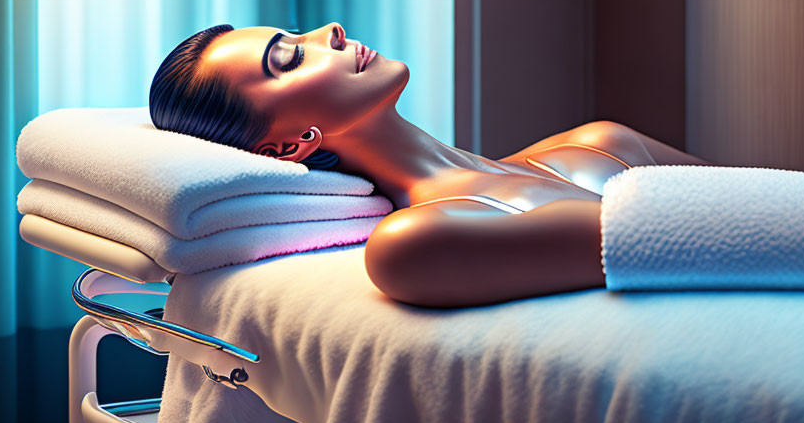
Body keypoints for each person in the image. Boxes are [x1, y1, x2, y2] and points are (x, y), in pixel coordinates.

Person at [149, 22, 711, 307]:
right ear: (290, 146)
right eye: (291, 56)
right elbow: (712, 240)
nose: (330, 32)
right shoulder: (415, 243)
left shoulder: (599, 142)